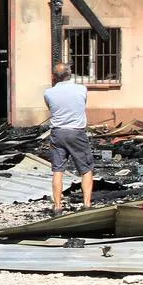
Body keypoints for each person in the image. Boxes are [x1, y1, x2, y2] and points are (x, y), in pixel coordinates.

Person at [44, 61, 94, 214]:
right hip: (77, 132)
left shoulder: (48, 93)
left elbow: (50, 108)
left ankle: (58, 205)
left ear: (54, 77)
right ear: (70, 74)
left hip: (58, 133)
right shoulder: (81, 89)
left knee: (58, 170)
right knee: (86, 169)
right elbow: (82, 104)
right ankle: (86, 204)